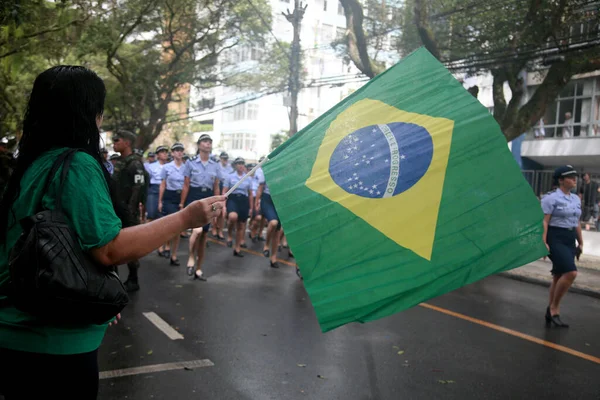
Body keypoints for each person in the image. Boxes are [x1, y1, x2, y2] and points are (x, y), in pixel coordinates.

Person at [0, 65, 226, 399]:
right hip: (54, 342)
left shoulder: (33, 164)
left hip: (15, 330)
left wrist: (85, 291)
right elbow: (109, 249)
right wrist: (185, 218)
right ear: (92, 113)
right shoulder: (76, 163)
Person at [542, 165, 582, 328]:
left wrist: (581, 241)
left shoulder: (576, 199)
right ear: (560, 180)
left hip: (569, 237)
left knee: (559, 276)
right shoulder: (550, 198)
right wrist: (543, 242)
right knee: (571, 272)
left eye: (575, 176)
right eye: (570, 176)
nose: (574, 179)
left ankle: (549, 311)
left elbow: (577, 221)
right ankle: (554, 308)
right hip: (555, 237)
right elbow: (544, 221)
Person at [181, 134, 221, 281]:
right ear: (199, 145)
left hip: (209, 197)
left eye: (210, 142)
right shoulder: (191, 162)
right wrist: (182, 203)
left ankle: (198, 268)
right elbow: (186, 185)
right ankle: (191, 257)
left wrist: (217, 207)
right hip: (194, 197)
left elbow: (216, 187)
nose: (208, 144)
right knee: (196, 231)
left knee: (204, 235)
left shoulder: (215, 164)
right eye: (205, 141)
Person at [111, 130, 147, 293]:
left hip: (127, 211)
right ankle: (114, 279)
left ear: (127, 143)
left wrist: (131, 211)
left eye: (117, 140)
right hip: (116, 209)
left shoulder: (135, 164)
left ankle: (133, 279)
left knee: (131, 247)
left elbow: (138, 188)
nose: (114, 142)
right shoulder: (120, 162)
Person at [158, 143, 186, 266]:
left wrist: (183, 202)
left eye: (181, 150)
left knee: (179, 227)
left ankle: (174, 255)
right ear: (173, 153)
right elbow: (163, 184)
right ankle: (166, 245)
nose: (179, 152)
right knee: (171, 223)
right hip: (169, 196)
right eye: (176, 150)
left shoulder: (187, 168)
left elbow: (187, 185)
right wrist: (160, 201)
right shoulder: (167, 167)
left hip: (181, 196)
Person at [223, 158, 254, 257]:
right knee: (232, 217)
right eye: (238, 164)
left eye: (242, 164)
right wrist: (223, 206)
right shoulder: (230, 177)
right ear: (235, 165)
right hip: (233, 199)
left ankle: (237, 248)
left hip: (243, 200)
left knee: (241, 225)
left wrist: (251, 208)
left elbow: (250, 194)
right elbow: (225, 191)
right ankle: (229, 235)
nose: (240, 165)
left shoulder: (248, 178)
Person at [146, 145, 170, 255]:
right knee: (151, 215)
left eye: (166, 152)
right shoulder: (151, 166)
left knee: (163, 218)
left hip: (167, 191)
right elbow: (147, 180)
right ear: (157, 155)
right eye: (162, 152)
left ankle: (161, 246)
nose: (164, 154)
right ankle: (146, 238)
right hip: (154, 189)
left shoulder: (170, 166)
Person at [212, 151, 233, 240]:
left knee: (223, 211)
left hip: (226, 188)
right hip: (218, 186)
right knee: (215, 209)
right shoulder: (216, 166)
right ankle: (213, 228)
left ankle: (220, 230)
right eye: (223, 158)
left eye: (226, 158)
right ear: (220, 158)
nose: (225, 160)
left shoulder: (230, 168)